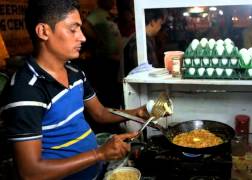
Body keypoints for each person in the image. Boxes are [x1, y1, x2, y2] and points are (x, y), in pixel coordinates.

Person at [0, 0, 151, 179]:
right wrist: (100, 154)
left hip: (97, 171)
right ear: (43, 31)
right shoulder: (26, 91)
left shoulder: (74, 72)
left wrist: (137, 113)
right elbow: (30, 172)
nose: (83, 37)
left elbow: (100, 113)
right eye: (73, 29)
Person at [86, 0, 123, 109]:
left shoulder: (106, 14)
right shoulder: (96, 14)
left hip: (114, 58)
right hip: (106, 59)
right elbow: (86, 25)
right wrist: (97, 39)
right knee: (108, 91)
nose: (113, 2)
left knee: (114, 90)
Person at [123, 9, 165, 76]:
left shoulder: (146, 38)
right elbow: (139, 70)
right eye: (160, 24)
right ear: (152, 22)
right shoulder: (139, 41)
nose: (160, 27)